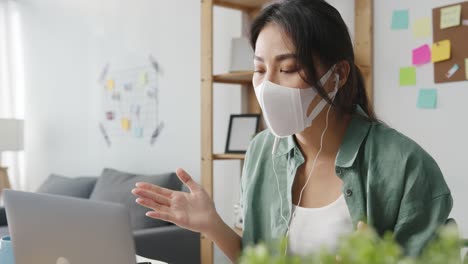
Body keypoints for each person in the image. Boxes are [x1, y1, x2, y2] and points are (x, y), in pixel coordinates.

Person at [132, 0, 453, 262]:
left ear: (338, 74)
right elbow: (254, 256)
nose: (267, 84)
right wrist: (211, 224)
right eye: (259, 69)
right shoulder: (261, 150)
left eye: (287, 69)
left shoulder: (406, 165)